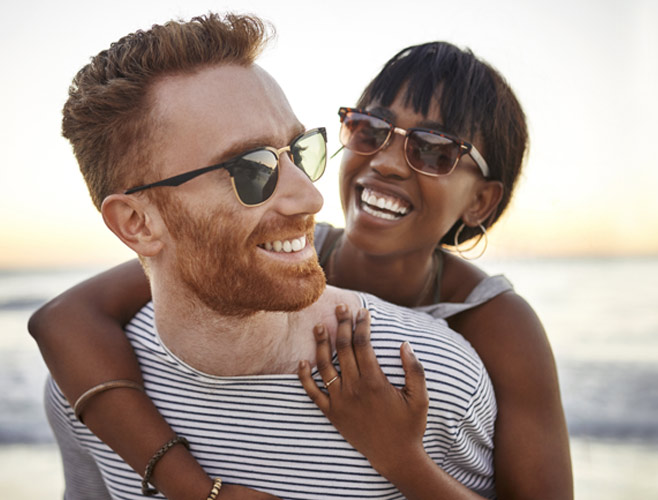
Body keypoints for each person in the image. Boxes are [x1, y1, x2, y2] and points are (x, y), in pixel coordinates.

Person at [33, 26, 573, 498]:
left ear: (480, 202)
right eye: (370, 130)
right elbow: (64, 320)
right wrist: (189, 485)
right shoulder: (282, 257)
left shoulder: (495, 326)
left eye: (433, 150)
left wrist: (398, 457)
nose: (385, 161)